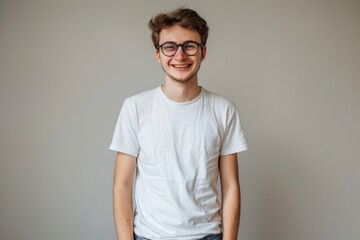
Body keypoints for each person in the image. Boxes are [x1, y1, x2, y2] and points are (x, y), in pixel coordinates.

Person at [109, 8, 247, 240]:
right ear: (158, 55)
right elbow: (122, 185)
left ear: (202, 52)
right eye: (170, 47)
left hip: (208, 236)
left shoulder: (223, 110)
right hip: (148, 236)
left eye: (189, 46)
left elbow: (231, 186)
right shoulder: (135, 108)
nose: (180, 56)